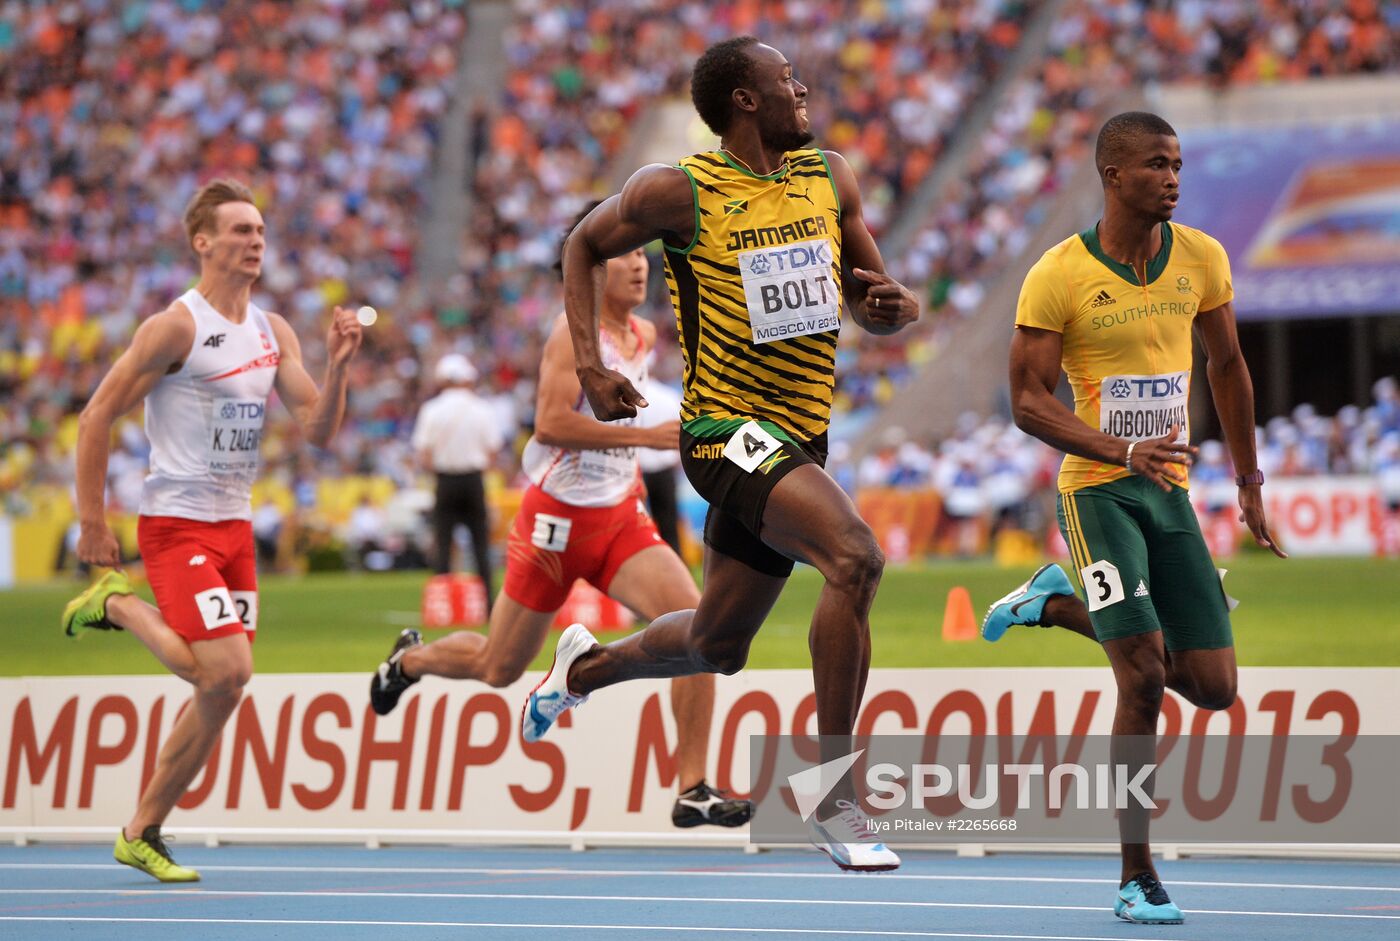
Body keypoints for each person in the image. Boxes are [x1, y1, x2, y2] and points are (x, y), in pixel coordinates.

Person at [520, 36, 919, 872]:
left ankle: (582, 671)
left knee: (717, 642)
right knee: (854, 557)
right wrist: (590, 366)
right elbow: (582, 245)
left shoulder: (829, 176)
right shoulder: (679, 190)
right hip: (722, 430)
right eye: (786, 79)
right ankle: (838, 799)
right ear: (744, 98)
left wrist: (887, 305)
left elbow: (865, 289)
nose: (802, 87)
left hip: (800, 432)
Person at [981, 112, 1286, 925]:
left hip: (1171, 489)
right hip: (1098, 489)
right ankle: (1134, 871)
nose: (1174, 177)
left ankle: (1054, 601)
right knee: (1145, 676)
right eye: (1157, 164)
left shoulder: (1203, 258)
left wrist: (1249, 477)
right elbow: (1026, 401)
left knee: (1215, 689)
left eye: (1179, 163)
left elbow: (1227, 364)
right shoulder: (1058, 274)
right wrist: (1120, 450)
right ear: (1114, 175)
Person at [370, 215, 752, 829]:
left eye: (641, 254)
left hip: (620, 518)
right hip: (555, 523)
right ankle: (409, 663)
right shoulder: (566, 337)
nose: (638, 264)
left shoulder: (644, 333)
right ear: (591, 270)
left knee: (702, 633)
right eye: (623, 254)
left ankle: (692, 787)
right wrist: (652, 435)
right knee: (500, 668)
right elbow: (549, 424)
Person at [60, 178, 363, 882]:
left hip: (235, 529)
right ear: (203, 242)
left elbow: (317, 429)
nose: (255, 241)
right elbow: (94, 416)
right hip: (176, 525)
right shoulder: (177, 327)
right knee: (230, 668)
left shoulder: (273, 330)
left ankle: (142, 829)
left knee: (220, 689)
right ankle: (117, 603)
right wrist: (92, 521)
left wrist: (338, 369)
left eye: (259, 231)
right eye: (239, 231)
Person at [412, 353, 504, 607]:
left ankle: (443, 603)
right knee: (480, 544)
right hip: (473, 480)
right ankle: (487, 603)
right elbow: (493, 451)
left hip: (445, 480)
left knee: (443, 543)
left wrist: (442, 470)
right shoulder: (482, 408)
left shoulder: (431, 409)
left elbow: (424, 453)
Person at [636, 369, 684, 554]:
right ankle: (676, 566)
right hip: (665, 469)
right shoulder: (669, 395)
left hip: (639, 471)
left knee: (640, 528)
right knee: (669, 526)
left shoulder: (631, 397)